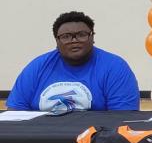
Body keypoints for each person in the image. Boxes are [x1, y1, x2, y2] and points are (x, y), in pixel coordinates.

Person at [7, 11, 140, 114]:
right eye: (66, 37)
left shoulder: (115, 67)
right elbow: (16, 112)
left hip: (96, 141)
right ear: (57, 41)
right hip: (43, 139)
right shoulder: (37, 67)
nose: (74, 40)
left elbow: (124, 118)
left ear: (92, 37)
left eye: (81, 34)